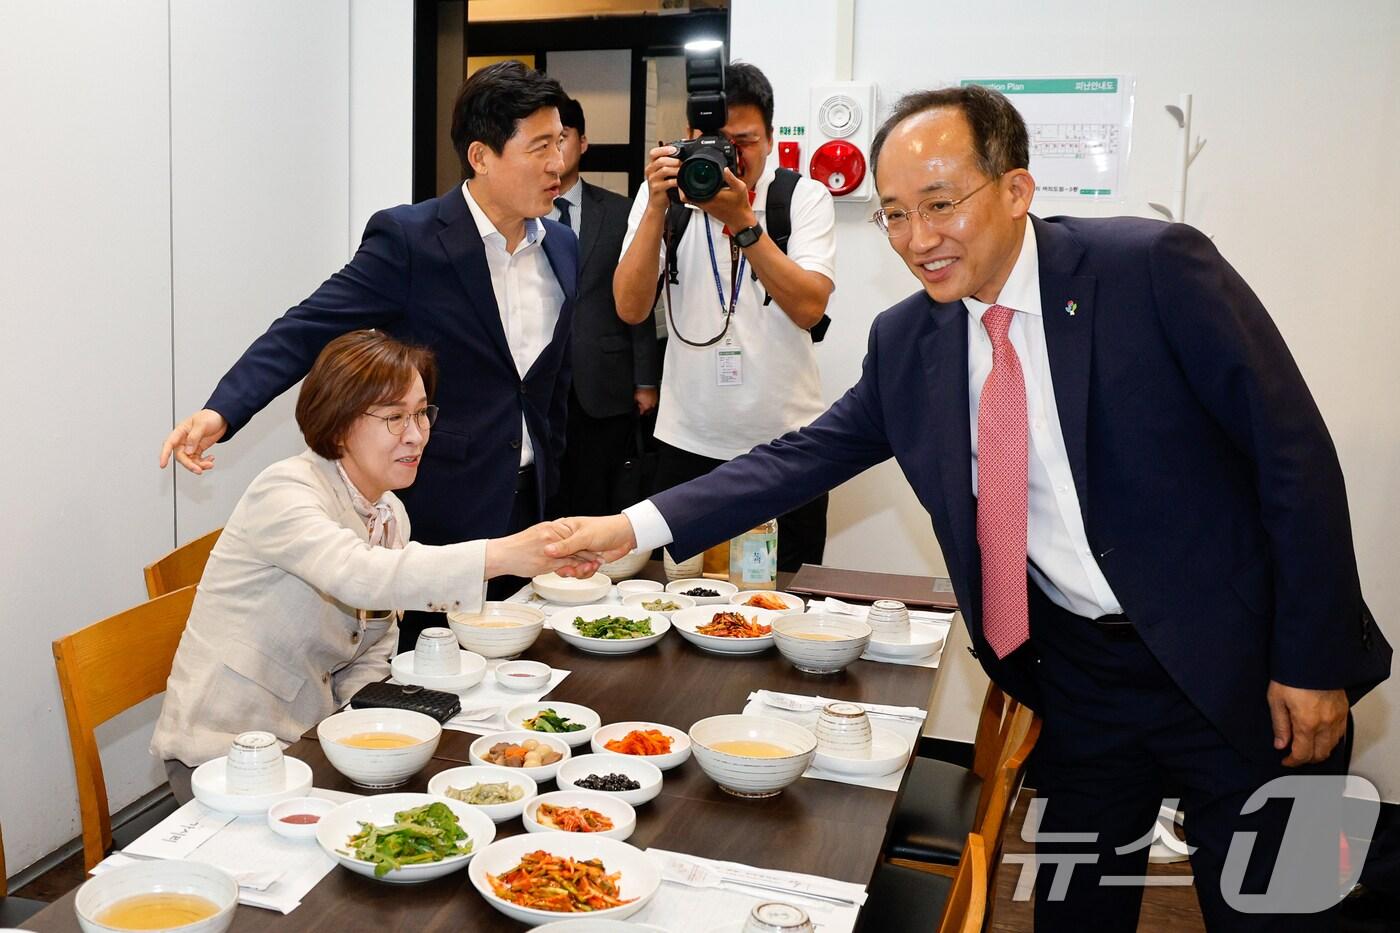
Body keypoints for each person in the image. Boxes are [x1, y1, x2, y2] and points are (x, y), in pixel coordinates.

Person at [549, 85, 1392, 929]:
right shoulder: (909, 340)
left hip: (1249, 663)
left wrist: (1312, 660)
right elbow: (798, 459)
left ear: (1017, 190)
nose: (919, 239)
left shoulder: (1155, 268)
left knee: (1284, 910)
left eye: (942, 204)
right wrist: (631, 526)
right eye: (895, 214)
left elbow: (1294, 455)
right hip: (1083, 678)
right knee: (1070, 909)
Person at [158, 60, 577, 647]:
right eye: (539, 147)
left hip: (528, 503)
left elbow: (544, 384)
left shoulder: (561, 244)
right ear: (481, 156)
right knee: (426, 686)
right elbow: (308, 325)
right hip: (437, 513)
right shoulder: (411, 240)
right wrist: (221, 411)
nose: (559, 163)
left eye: (560, 141)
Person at [150, 331, 595, 789]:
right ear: (339, 423)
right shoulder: (285, 491)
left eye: (422, 413)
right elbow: (359, 575)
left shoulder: (389, 513)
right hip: (226, 752)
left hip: (312, 744)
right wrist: (502, 555)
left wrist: (362, 731)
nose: (417, 435)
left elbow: (376, 646)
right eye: (395, 417)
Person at [611, 62, 835, 571]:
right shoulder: (665, 204)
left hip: (788, 444)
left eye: (745, 141)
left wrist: (743, 223)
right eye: (715, 141)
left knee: (785, 599)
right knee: (679, 595)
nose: (730, 155)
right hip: (687, 440)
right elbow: (629, 306)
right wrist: (653, 208)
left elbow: (809, 307)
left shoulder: (801, 198)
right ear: (688, 139)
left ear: (772, 138)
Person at [549, 96, 660, 517]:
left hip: (604, 381)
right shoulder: (521, 212)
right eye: (545, 141)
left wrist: (645, 379)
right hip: (541, 382)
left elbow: (640, 299)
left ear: (583, 143)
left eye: (563, 138)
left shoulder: (618, 211)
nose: (555, 150)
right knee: (547, 497)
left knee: (599, 496)